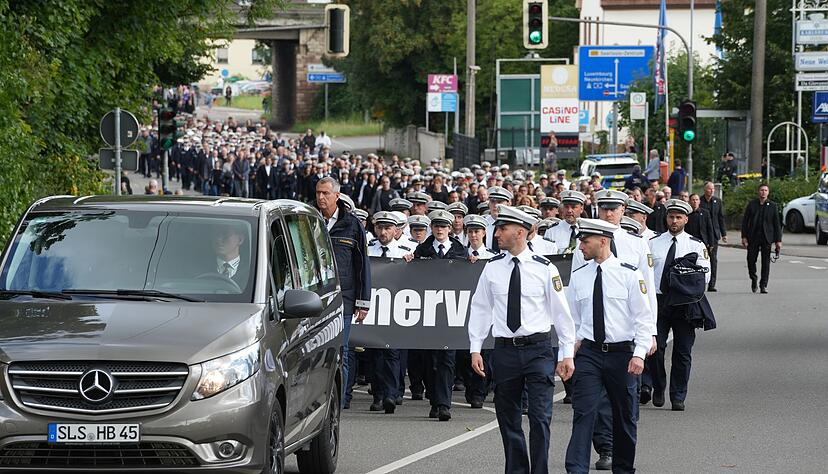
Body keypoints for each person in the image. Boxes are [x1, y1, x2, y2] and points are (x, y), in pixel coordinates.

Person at [467, 205, 576, 474]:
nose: (497, 233)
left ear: (520, 232)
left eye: (502, 229)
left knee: (540, 418)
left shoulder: (544, 268)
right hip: (505, 351)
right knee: (508, 417)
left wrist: (567, 354)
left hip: (538, 349)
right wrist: (475, 348)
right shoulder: (492, 268)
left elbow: (562, 314)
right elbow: (480, 308)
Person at [564, 218, 652, 474]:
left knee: (625, 417)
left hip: (622, 354)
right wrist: (569, 351)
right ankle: (576, 469)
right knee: (583, 413)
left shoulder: (629, 274)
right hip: (590, 353)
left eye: (585, 241)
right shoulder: (580, 277)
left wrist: (639, 354)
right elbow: (572, 320)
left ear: (603, 241)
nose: (580, 246)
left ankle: (623, 468)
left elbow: (643, 318)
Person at [404, 210, 466, 421]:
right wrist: (409, 260)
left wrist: (473, 263)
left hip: (451, 313)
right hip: (428, 313)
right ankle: (434, 399)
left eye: (443, 226)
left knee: (447, 359)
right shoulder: (421, 250)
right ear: (432, 228)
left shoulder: (460, 251)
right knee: (429, 360)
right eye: (436, 226)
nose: (440, 229)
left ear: (450, 228)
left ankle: (443, 404)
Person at [316, 177, 372, 409]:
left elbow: (362, 264)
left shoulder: (352, 224)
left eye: (325, 193)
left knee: (342, 351)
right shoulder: (310, 221)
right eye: (318, 193)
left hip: (344, 299)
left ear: (336, 196)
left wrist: (363, 301)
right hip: (314, 299)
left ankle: (340, 400)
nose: (321, 197)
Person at [649, 199, 710, 411]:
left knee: (683, 352)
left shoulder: (696, 244)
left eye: (678, 217)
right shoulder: (653, 242)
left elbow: (705, 276)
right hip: (659, 301)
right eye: (670, 217)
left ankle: (678, 395)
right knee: (655, 349)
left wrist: (685, 278)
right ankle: (658, 386)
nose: (674, 221)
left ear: (686, 219)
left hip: (685, 303)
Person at [365, 211, 412, 414]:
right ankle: (378, 395)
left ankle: (391, 395)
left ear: (396, 230)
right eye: (380, 228)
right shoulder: (368, 250)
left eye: (387, 228)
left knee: (392, 353)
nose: (383, 232)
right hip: (374, 308)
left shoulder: (405, 251)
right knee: (374, 354)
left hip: (396, 308)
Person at [740, 183, 782, 294]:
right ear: (758, 192)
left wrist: (778, 240)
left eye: (765, 190)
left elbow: (777, 224)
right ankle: (754, 279)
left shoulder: (772, 206)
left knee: (765, 262)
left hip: (766, 237)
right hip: (753, 236)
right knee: (750, 260)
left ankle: (763, 285)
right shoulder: (752, 205)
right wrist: (744, 236)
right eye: (761, 190)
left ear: (768, 192)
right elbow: (745, 222)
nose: (763, 192)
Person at [699, 181, 727, 291]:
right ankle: (700, 282)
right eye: (709, 188)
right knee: (701, 259)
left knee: (713, 259)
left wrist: (723, 233)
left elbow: (721, 218)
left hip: (714, 234)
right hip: (702, 233)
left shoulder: (718, 202)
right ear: (705, 189)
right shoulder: (699, 201)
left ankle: (712, 284)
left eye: (713, 189)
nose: (711, 191)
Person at [211, 221, 250, 290]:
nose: (219, 239)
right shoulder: (198, 268)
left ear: (240, 239)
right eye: (216, 234)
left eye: (225, 234)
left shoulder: (253, 270)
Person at [485, 186, 514, 252]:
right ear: (488, 203)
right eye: (492, 201)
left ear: (508, 204)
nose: (495, 205)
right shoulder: (483, 223)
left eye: (499, 202)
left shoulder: (513, 224)